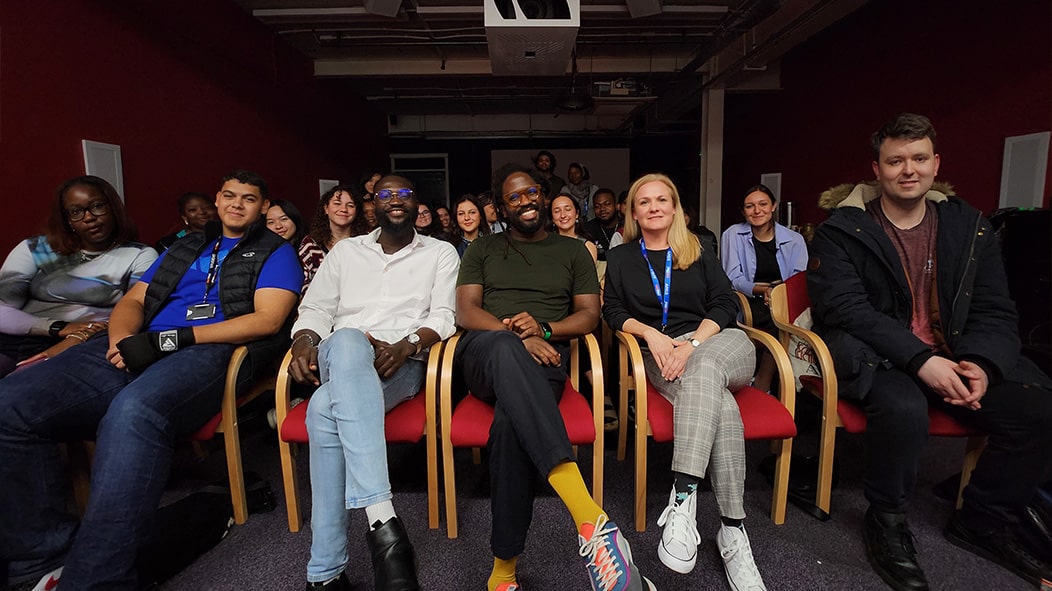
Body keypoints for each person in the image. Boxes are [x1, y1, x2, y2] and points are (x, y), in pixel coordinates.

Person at [0, 170, 302, 591]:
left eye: (248, 198)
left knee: (134, 413)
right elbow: (134, 300)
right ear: (217, 199)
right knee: (10, 403)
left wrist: (171, 339)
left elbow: (267, 320)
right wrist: (123, 341)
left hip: (207, 350)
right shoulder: (185, 247)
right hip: (137, 343)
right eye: (229, 195)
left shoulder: (276, 252)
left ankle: (96, 581)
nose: (236, 204)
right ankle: (43, 563)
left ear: (263, 206)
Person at [808, 113, 1052, 590]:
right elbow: (847, 310)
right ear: (876, 169)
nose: (908, 170)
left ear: (935, 163)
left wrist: (982, 364)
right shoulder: (843, 230)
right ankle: (887, 519)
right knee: (903, 408)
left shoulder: (970, 226)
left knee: (1039, 411)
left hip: (958, 350)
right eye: (895, 160)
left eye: (918, 158)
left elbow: (995, 308)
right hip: (879, 354)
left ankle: (983, 520)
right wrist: (921, 361)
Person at [454, 163, 655, 591]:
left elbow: (589, 314)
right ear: (500, 208)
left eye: (531, 192)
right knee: (505, 349)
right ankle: (589, 517)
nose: (525, 201)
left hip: (545, 357)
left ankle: (502, 574)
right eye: (513, 197)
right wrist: (517, 337)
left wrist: (544, 331)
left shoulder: (573, 252)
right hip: (485, 353)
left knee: (510, 425)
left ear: (543, 196)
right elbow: (467, 311)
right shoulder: (482, 249)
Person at [288, 175, 459, 591]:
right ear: (373, 206)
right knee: (348, 338)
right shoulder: (346, 252)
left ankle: (325, 573)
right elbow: (315, 308)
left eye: (404, 194)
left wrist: (407, 344)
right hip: (341, 355)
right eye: (386, 194)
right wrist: (304, 339)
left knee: (321, 409)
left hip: (400, 364)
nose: (395, 200)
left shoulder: (440, 252)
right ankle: (384, 524)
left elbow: (444, 315)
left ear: (417, 203)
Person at [603, 173, 766, 588]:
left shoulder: (699, 249)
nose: (654, 207)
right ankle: (733, 531)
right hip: (661, 353)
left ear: (675, 208)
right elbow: (613, 311)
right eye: (644, 201)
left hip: (719, 341)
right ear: (633, 212)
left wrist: (693, 343)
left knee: (705, 367)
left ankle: (682, 498)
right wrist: (652, 335)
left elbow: (725, 303)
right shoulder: (621, 258)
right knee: (719, 401)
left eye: (662, 199)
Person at [0, 175, 157, 375]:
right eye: (76, 212)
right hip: (19, 333)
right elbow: (2, 309)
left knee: (15, 387)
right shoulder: (36, 248)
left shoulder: (140, 255)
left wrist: (78, 337)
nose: (89, 217)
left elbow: (136, 311)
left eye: (97, 206)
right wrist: (59, 327)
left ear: (113, 208)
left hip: (85, 341)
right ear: (67, 220)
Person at [721, 184, 807, 392]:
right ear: (743, 211)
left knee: (788, 317)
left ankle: (795, 382)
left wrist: (777, 293)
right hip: (747, 300)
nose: (757, 210)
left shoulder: (795, 239)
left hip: (783, 299)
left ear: (774, 206)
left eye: (763, 204)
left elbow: (799, 279)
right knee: (779, 321)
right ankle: (763, 382)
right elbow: (733, 278)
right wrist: (762, 290)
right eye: (750, 206)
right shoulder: (733, 234)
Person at [299, 185, 368, 294]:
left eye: (350, 205)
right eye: (337, 204)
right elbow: (304, 284)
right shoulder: (311, 243)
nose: (344, 209)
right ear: (326, 208)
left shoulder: (367, 242)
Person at [549, 193, 598, 264]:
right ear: (552, 218)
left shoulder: (587, 246)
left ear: (577, 214)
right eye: (557, 211)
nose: (563, 215)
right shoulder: (546, 244)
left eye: (568, 209)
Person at [582, 188, 623, 261]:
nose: (602, 209)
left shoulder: (626, 226)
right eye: (597, 206)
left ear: (616, 206)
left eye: (607, 204)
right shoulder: (588, 229)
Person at [451, 193, 491, 257]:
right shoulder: (451, 247)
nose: (467, 218)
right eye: (461, 214)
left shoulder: (491, 243)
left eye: (472, 212)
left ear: (480, 215)